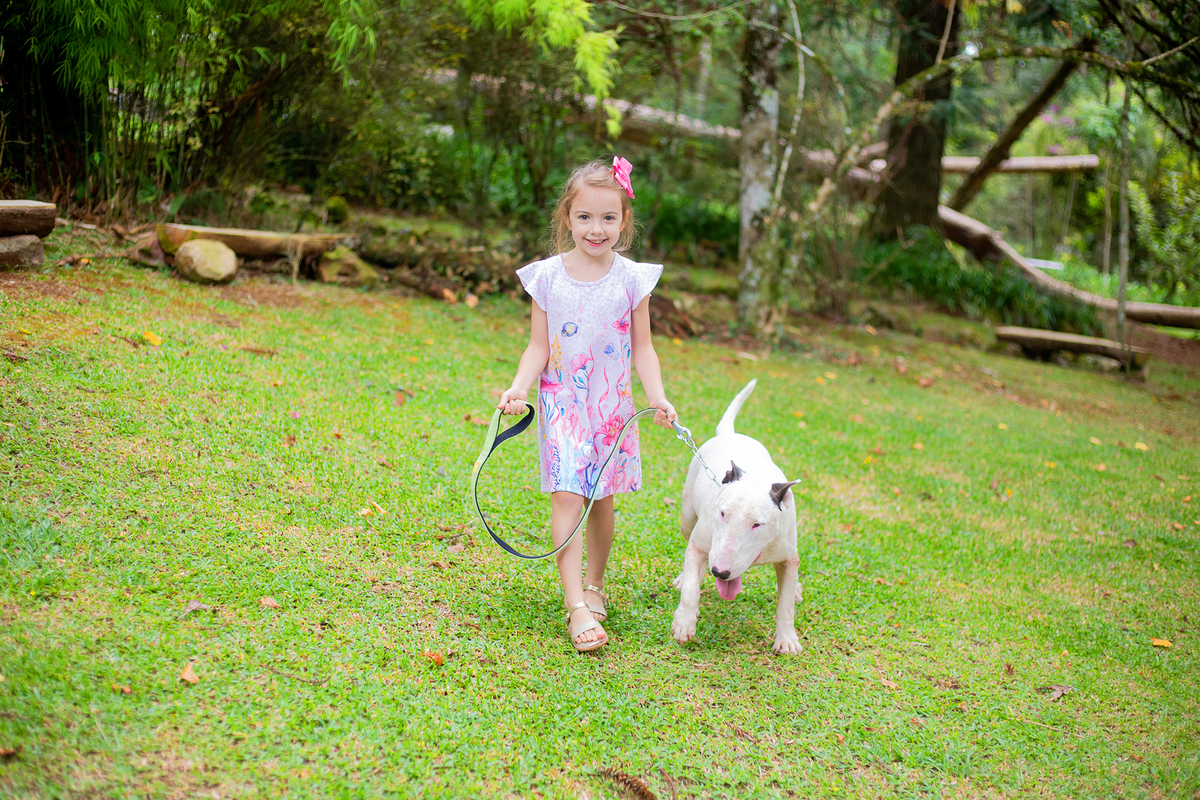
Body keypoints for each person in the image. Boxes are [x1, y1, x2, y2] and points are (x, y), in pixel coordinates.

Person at [497, 156, 678, 652]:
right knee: (567, 496)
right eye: (584, 217)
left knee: (601, 498)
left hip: (611, 409)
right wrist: (519, 388)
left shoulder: (632, 279)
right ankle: (575, 604)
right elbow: (538, 345)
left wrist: (657, 397)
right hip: (562, 406)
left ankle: (595, 584)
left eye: (607, 218)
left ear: (624, 221)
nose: (596, 229)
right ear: (567, 218)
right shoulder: (547, 277)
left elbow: (643, 347)